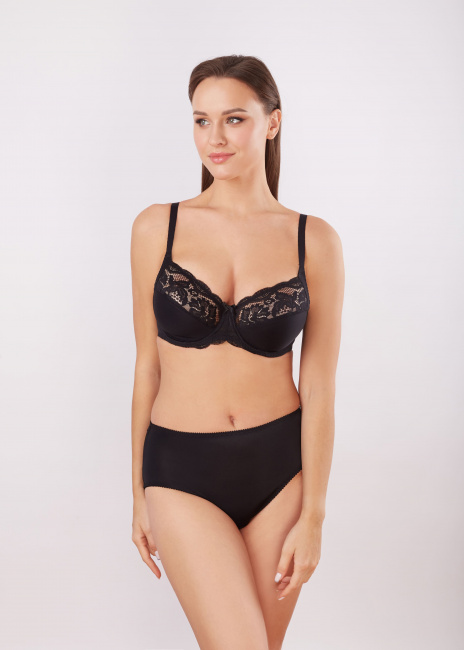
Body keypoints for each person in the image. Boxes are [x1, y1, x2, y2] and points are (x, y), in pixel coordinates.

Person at [130, 54, 345, 650]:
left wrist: (314, 514)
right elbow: (146, 366)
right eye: (201, 121)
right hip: (180, 471)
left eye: (234, 119)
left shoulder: (314, 240)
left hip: (281, 471)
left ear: (272, 122)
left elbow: (319, 385)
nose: (215, 138)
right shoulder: (157, 227)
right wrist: (137, 493)